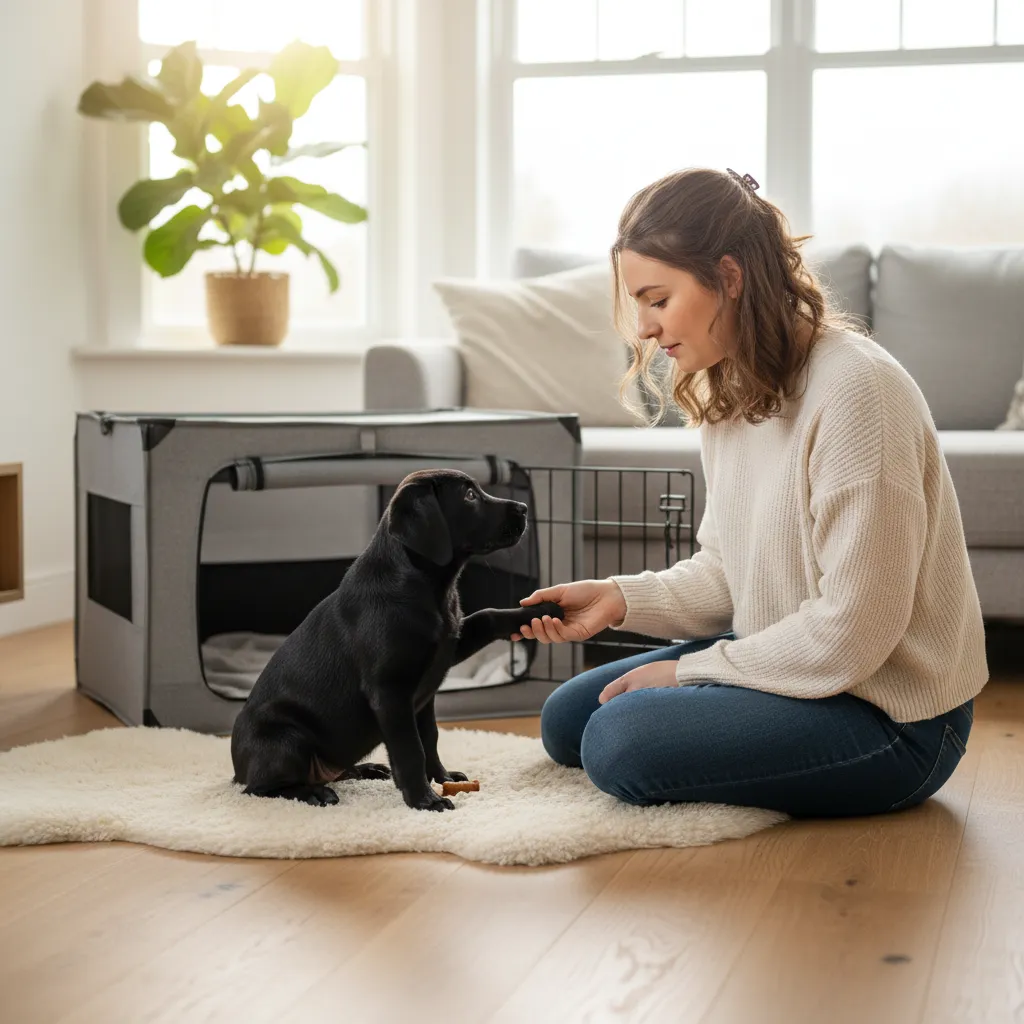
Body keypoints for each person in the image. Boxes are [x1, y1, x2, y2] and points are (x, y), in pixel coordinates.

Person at [515, 167, 987, 818]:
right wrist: (620, 600)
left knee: (619, 743)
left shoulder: (859, 392)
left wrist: (686, 673)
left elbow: (855, 632)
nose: (646, 329)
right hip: (794, 669)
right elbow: (727, 572)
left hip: (892, 714)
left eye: (658, 299)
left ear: (729, 278)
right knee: (567, 719)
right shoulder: (729, 386)